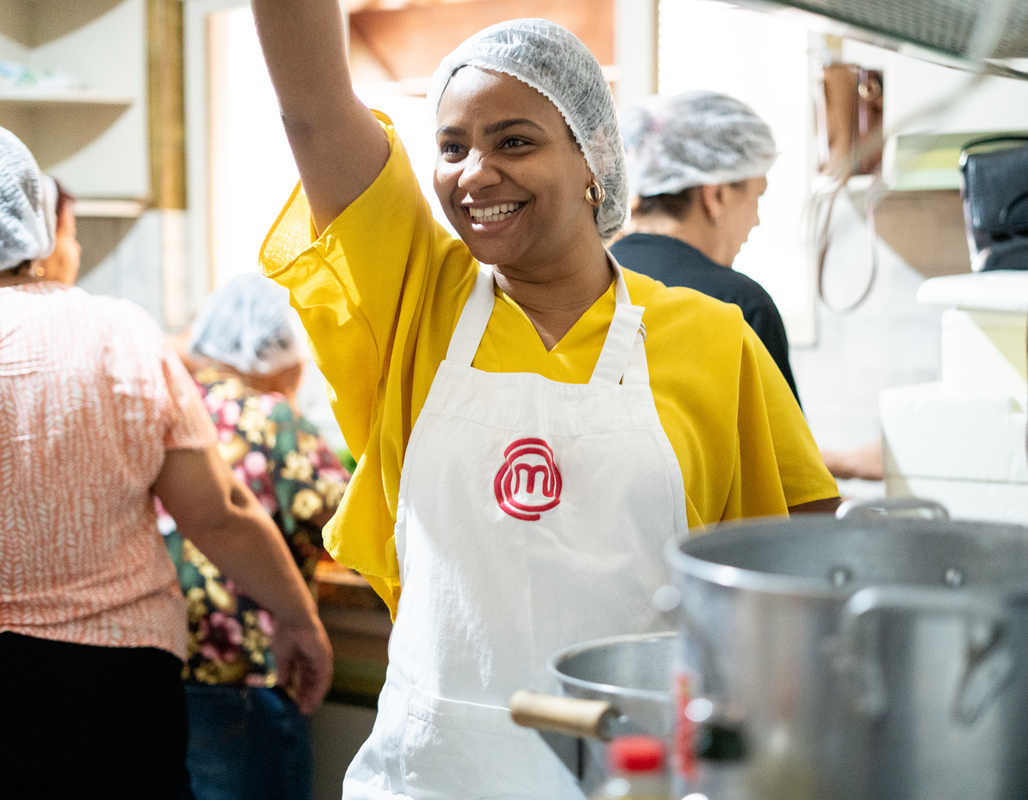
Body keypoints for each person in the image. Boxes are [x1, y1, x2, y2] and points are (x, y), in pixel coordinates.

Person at [250, 4, 839, 797]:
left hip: (631, 773)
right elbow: (314, 113)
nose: (474, 173)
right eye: (452, 146)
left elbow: (791, 565)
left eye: (514, 141)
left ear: (593, 156)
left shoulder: (713, 339)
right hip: (432, 775)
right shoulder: (416, 299)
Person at [0, 126, 333, 799]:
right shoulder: (117, 332)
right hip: (115, 680)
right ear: (35, 216)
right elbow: (220, 514)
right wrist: (295, 617)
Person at [159, 273, 351, 800]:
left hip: (165, 658)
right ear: (275, 352)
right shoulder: (271, 418)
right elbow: (344, 521)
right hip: (250, 664)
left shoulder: (171, 409)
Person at [610, 90, 800, 401]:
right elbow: (782, 448)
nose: (756, 221)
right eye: (757, 197)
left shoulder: (588, 282)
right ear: (717, 196)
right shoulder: (739, 306)